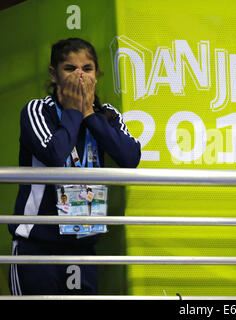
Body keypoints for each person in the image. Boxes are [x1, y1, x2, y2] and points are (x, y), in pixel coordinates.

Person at [8, 38, 141, 295]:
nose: (79, 75)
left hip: (83, 247)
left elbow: (130, 157)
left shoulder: (107, 113)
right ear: (54, 74)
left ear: (97, 75)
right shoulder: (38, 110)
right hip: (36, 245)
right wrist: (71, 110)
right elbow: (54, 154)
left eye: (87, 69)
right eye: (70, 69)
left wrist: (89, 113)